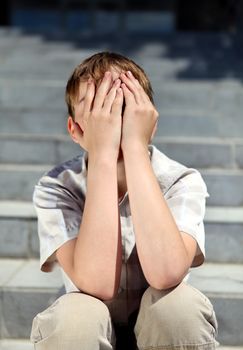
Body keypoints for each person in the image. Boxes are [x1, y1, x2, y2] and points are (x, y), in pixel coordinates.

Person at [30, 51, 218, 350]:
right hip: (93, 331)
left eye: (125, 105)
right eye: (97, 107)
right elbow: (98, 284)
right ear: (75, 130)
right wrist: (103, 154)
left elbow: (167, 272)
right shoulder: (56, 187)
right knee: (72, 318)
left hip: (162, 334)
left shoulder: (181, 180)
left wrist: (133, 146)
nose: (112, 115)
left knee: (179, 307)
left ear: (150, 125)